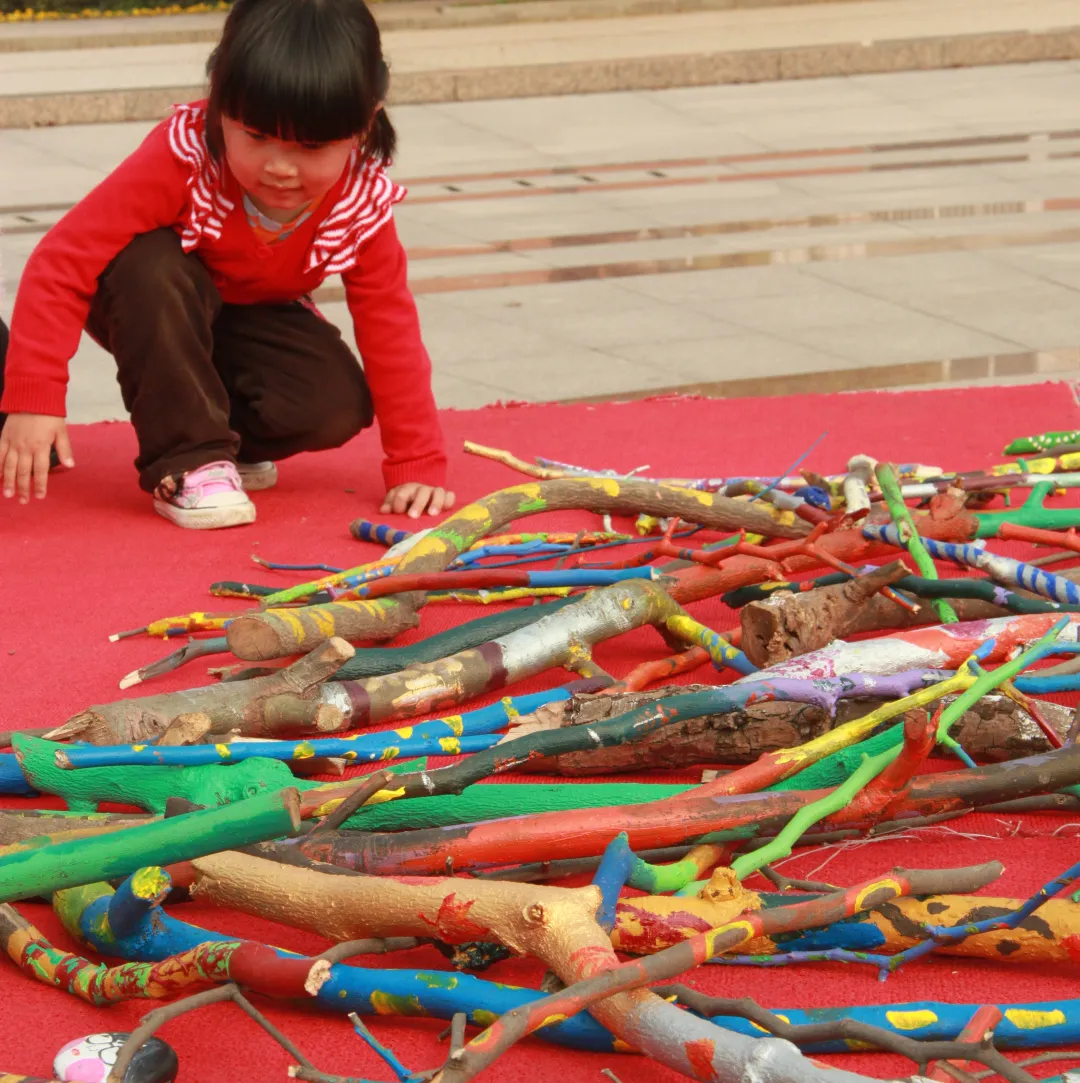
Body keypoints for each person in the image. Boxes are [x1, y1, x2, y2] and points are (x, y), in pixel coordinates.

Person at [0, 0, 454, 528]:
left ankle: (222, 438)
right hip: (151, 298)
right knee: (153, 264)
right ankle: (190, 460)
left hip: (246, 313)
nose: (280, 168)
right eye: (256, 137)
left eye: (312, 147)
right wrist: (35, 397)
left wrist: (415, 460)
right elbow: (62, 259)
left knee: (335, 406)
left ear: (365, 124)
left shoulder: (360, 197)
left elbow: (389, 322)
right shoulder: (184, 157)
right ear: (219, 105)